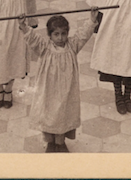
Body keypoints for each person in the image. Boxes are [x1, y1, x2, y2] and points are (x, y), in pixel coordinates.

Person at [20, 12, 98, 153]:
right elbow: (32, 39)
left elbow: (83, 35)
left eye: (63, 33)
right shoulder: (44, 47)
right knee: (48, 114)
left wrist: (92, 19)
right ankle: (50, 142)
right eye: (56, 34)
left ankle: (61, 142)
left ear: (67, 33)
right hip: (48, 90)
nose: (60, 38)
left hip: (66, 90)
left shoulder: (72, 45)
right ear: (49, 35)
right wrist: (24, 26)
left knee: (63, 114)